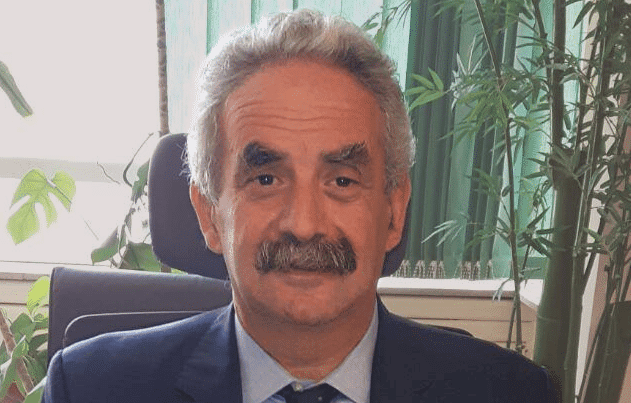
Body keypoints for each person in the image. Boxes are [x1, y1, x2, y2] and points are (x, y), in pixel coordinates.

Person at [43, 9, 554, 403]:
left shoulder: (510, 394)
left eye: (342, 180)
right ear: (209, 213)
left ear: (394, 211)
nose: (305, 224)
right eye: (265, 179)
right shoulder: (90, 388)